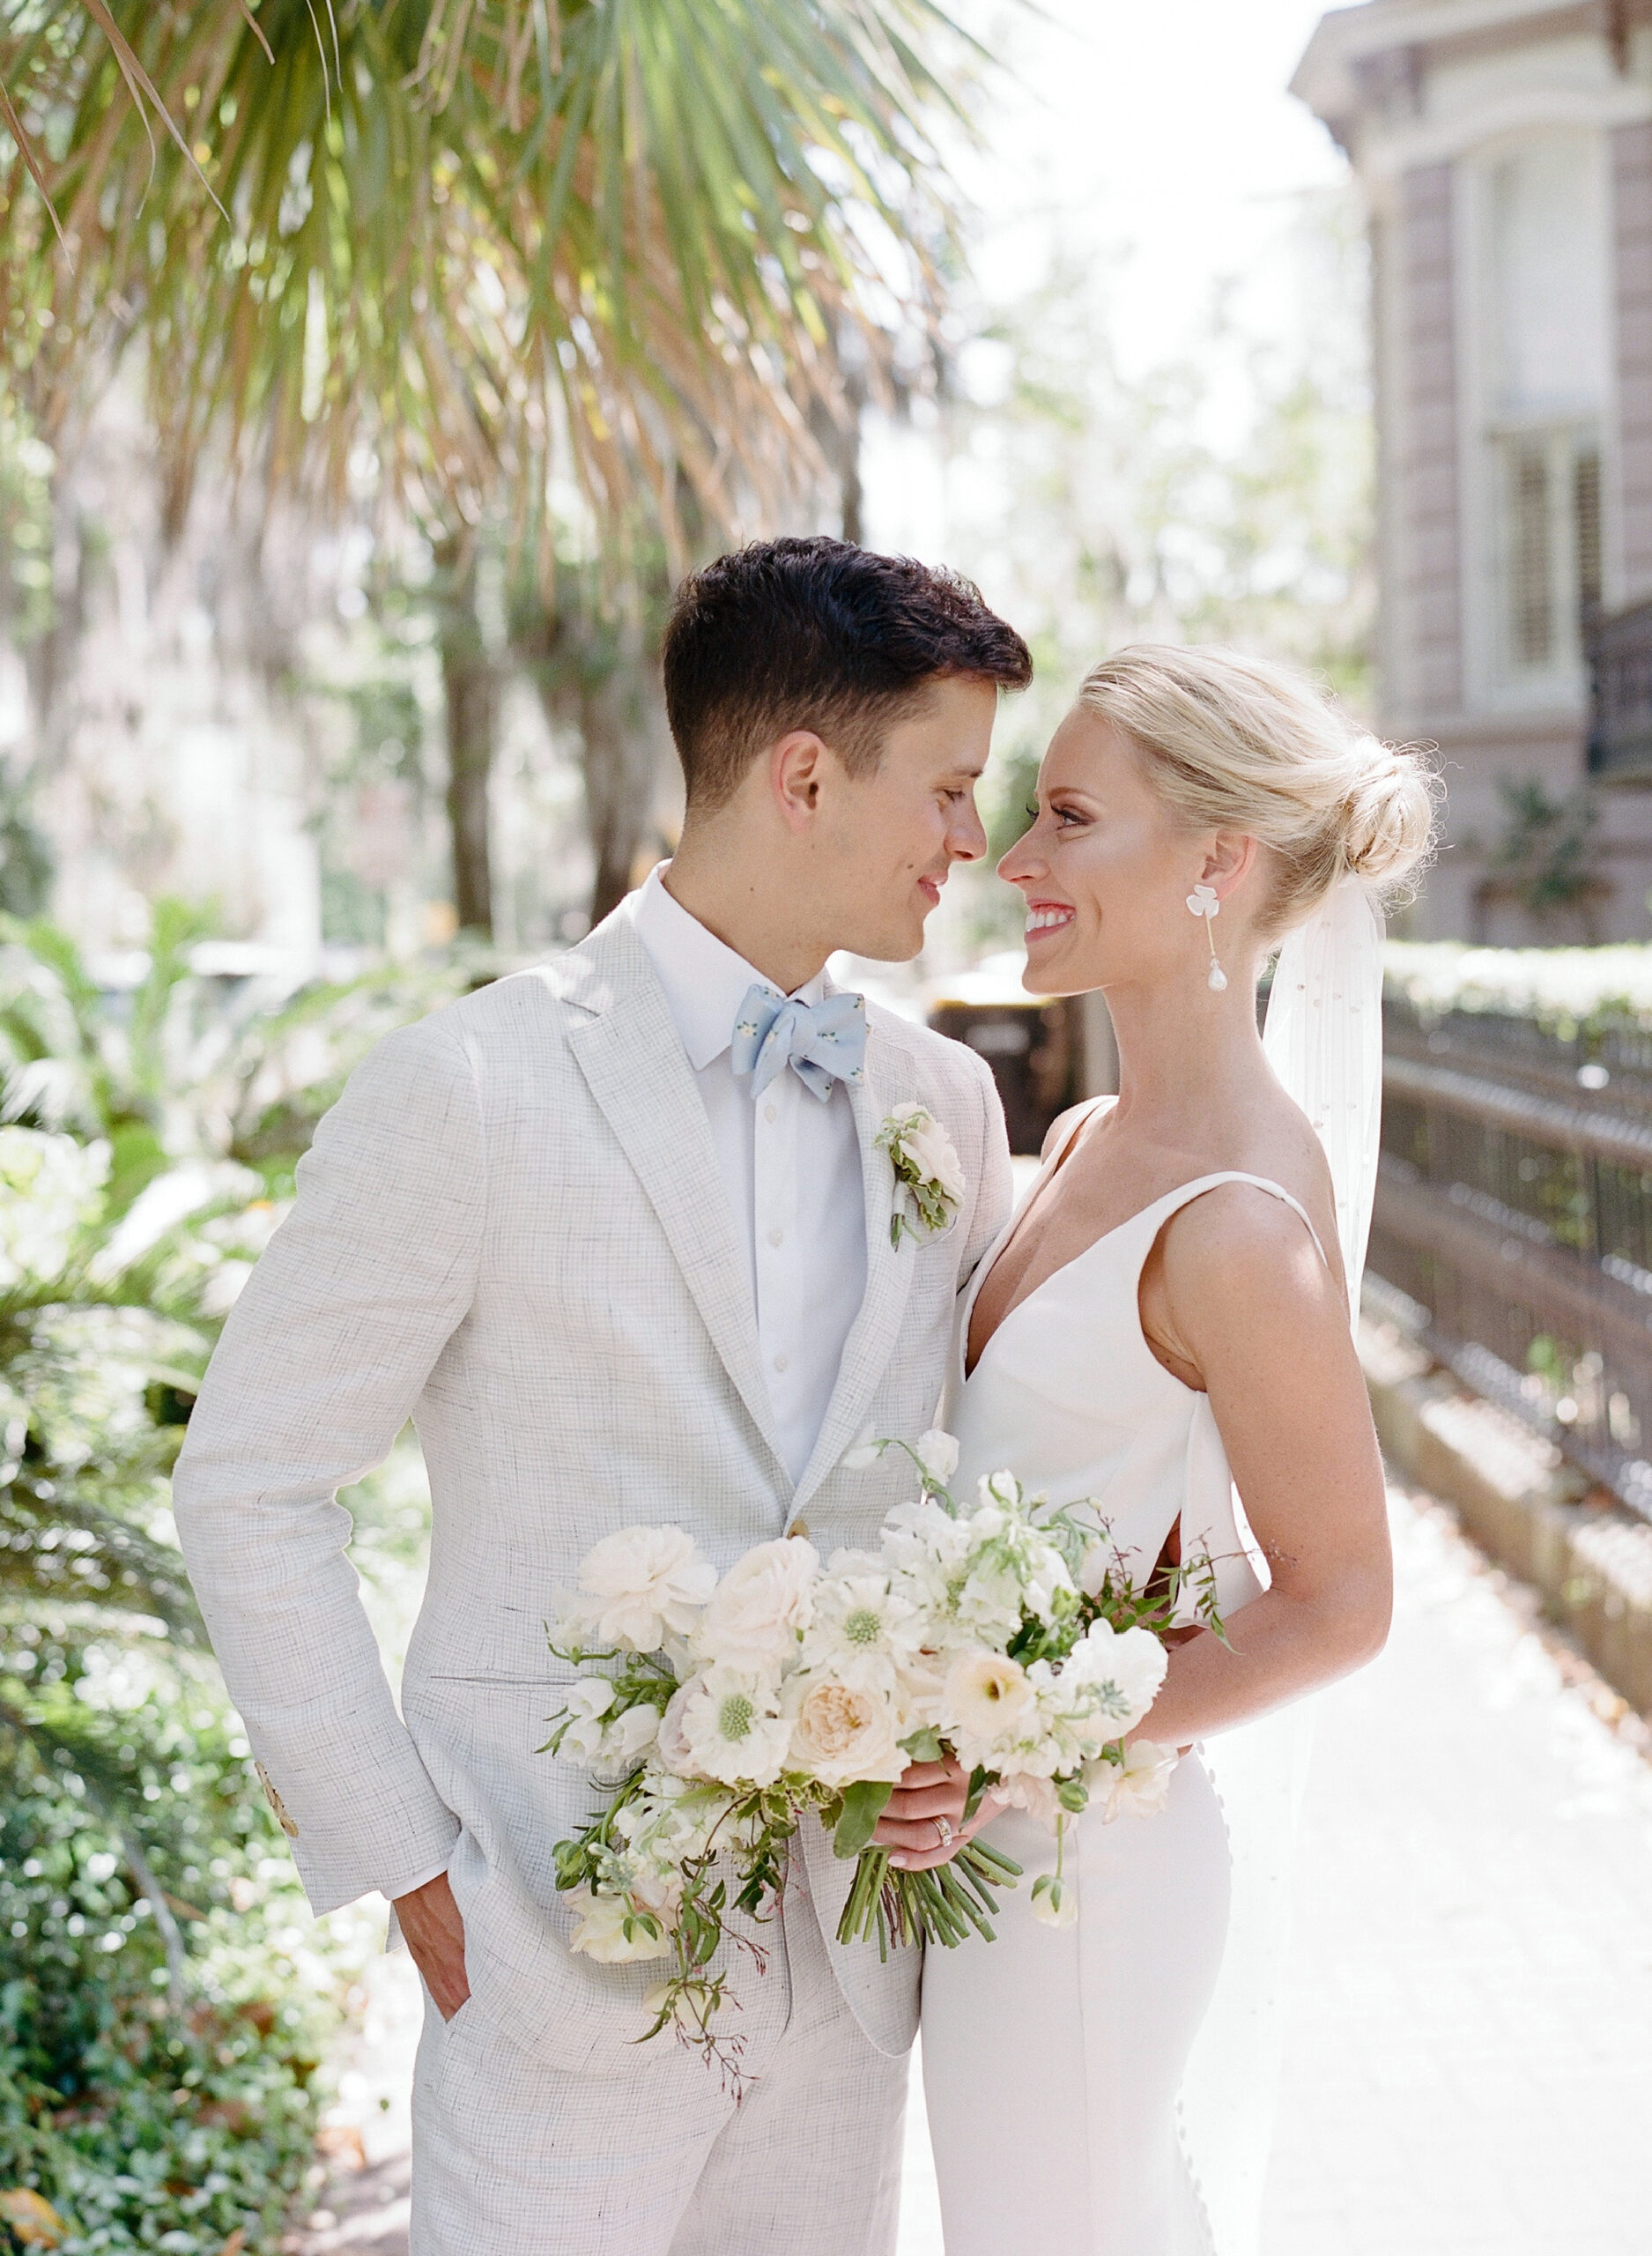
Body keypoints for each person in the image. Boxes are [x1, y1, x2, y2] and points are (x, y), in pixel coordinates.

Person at [169, 536, 1030, 2256]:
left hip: (855, 1978)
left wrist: (959, 1743)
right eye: (947, 788)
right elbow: (250, 1477)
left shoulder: (944, 1102)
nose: (971, 841)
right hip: (550, 1968)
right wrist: (404, 1849)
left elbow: (944, 1488)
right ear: (802, 775)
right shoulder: (467, 1083)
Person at [915, 643, 1435, 2254]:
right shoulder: (1083, 1138)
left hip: (1088, 1885)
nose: (1016, 861)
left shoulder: (1240, 1228)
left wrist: (1042, 1744)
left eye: (1069, 817)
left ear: (1217, 862)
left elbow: (1341, 1599)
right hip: (1003, 1874)